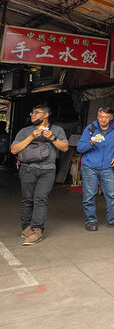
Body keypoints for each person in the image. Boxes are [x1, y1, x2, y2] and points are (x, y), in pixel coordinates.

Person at [10, 105, 68, 245]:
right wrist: (31, 137)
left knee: (40, 198)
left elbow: (65, 148)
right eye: (32, 112)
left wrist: (52, 138)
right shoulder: (25, 131)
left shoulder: (57, 130)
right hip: (28, 169)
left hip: (48, 170)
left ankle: (37, 230)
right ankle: (26, 228)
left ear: (46, 115)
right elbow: (14, 150)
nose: (32, 115)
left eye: (36, 113)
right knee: (27, 199)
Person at [76, 107, 114, 231]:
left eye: (106, 117)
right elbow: (80, 148)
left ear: (111, 118)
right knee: (89, 195)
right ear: (97, 116)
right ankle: (91, 221)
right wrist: (91, 143)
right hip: (89, 167)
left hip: (107, 167)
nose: (103, 120)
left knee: (112, 194)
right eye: (101, 117)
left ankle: (113, 220)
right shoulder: (90, 128)